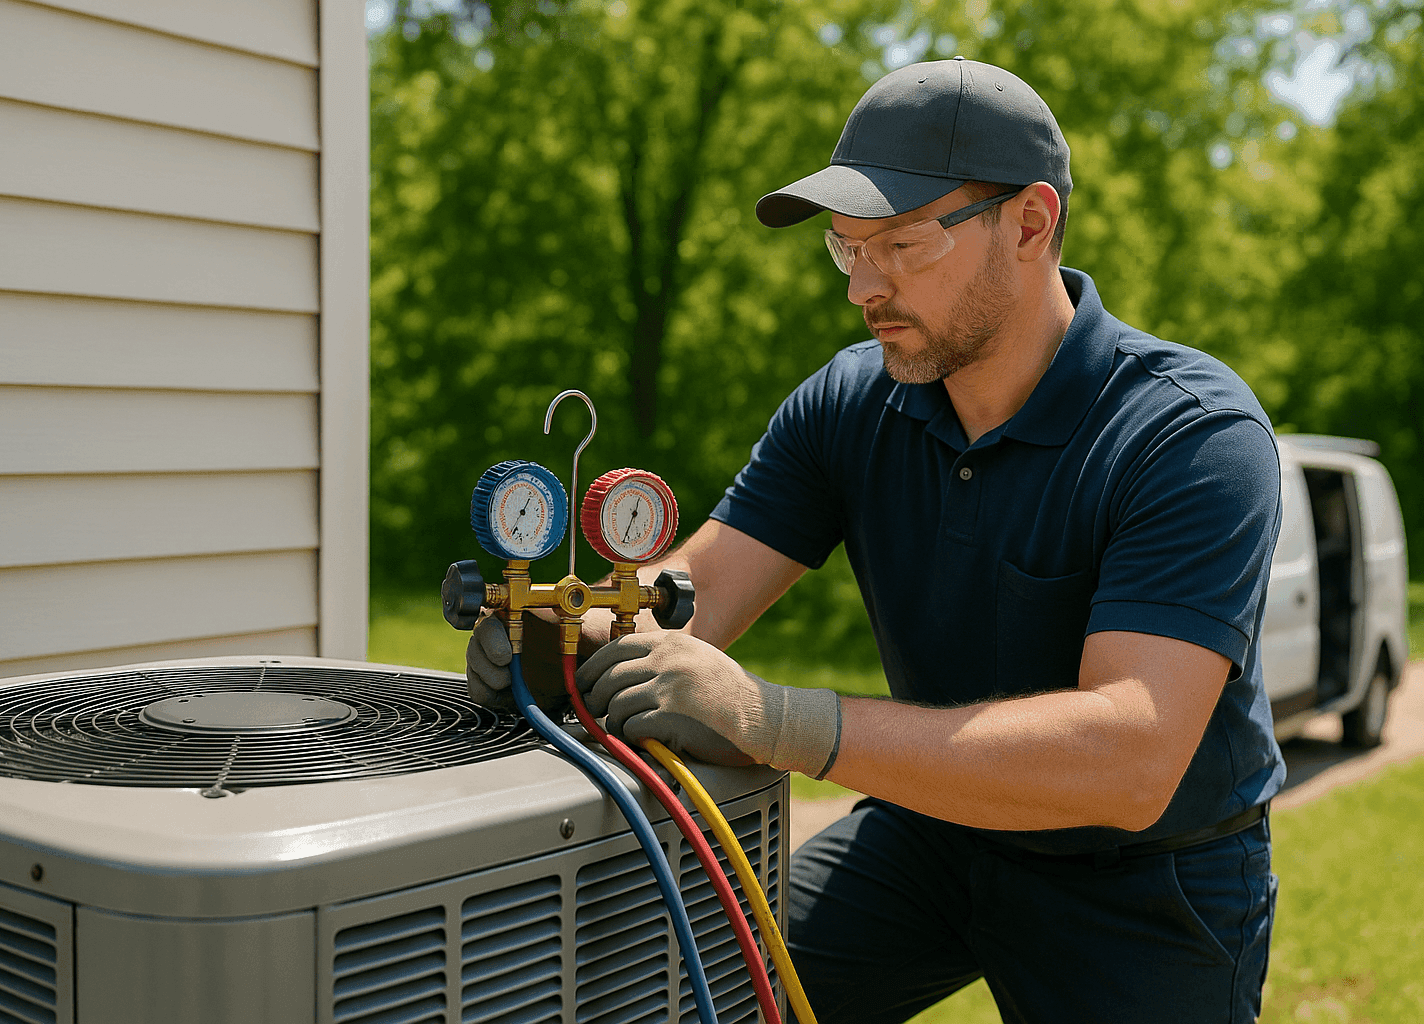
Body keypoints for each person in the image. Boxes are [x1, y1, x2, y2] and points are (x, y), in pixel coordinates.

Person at [469, 57, 1283, 1023]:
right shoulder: (855, 402)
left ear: (1030, 224)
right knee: (702, 996)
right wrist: (569, 636)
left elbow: (1131, 759)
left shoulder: (1188, 436)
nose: (864, 287)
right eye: (846, 248)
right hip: (928, 831)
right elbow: (699, 587)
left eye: (901, 243)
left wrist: (776, 720)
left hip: (1143, 878)